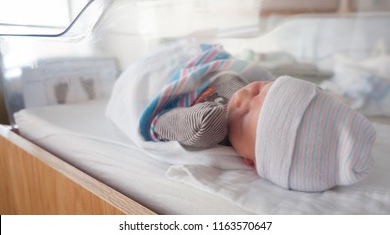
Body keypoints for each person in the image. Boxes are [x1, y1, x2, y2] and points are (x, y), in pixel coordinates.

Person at [139, 45, 376, 192]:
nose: (242, 97)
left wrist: (198, 126)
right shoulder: (247, 83)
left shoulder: (213, 134)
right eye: (262, 89)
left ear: (251, 161)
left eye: (243, 120)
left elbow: (161, 123)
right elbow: (237, 69)